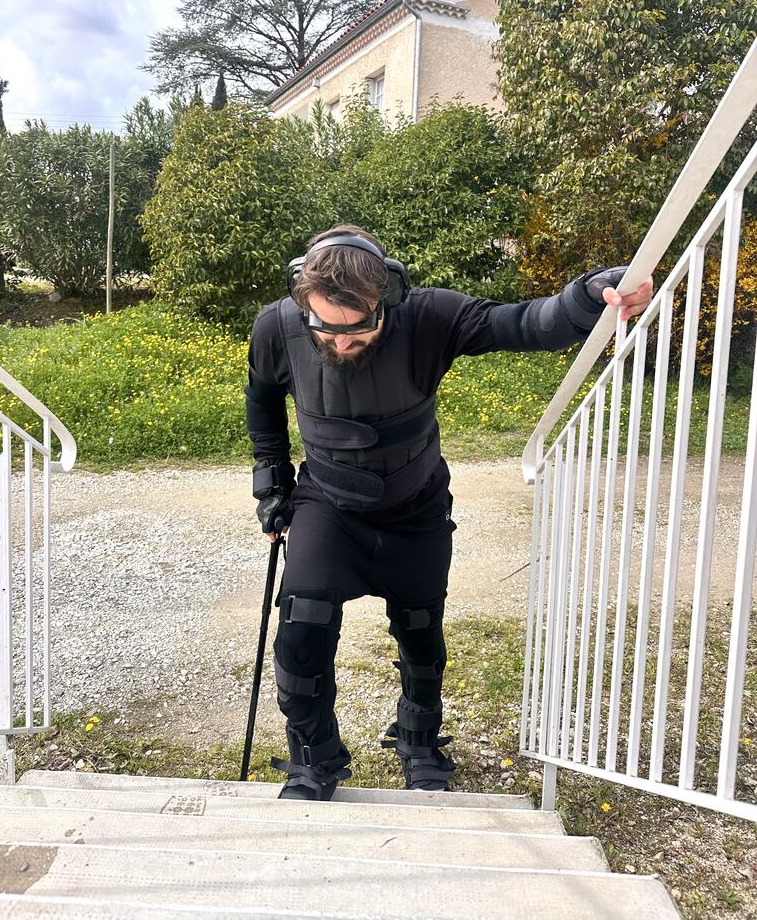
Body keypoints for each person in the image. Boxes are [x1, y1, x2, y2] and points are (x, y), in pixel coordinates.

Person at [245, 224, 653, 801]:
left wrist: (592, 296)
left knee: (420, 635)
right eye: (325, 327)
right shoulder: (277, 328)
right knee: (301, 630)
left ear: (387, 297)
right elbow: (262, 398)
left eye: (357, 326)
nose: (339, 341)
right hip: (327, 505)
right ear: (301, 303)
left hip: (415, 508)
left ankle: (418, 741)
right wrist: (272, 487)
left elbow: (522, 323)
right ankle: (315, 758)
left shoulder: (429, 317)